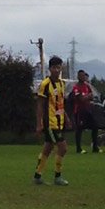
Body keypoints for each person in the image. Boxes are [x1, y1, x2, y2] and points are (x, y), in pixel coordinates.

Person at [33, 56, 71, 185]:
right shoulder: (45, 84)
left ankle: (37, 175)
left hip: (59, 121)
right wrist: (39, 124)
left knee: (47, 148)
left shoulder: (61, 83)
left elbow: (60, 103)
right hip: (50, 123)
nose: (56, 70)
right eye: (54, 67)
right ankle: (57, 176)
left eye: (58, 67)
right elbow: (40, 105)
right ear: (50, 69)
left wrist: (66, 117)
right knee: (63, 147)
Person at [70, 69, 101, 154]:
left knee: (95, 126)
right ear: (78, 76)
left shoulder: (87, 86)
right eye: (81, 76)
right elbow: (81, 99)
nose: (83, 77)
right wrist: (87, 97)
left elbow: (91, 96)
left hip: (87, 110)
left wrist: (86, 97)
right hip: (79, 111)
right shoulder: (76, 87)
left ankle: (95, 147)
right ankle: (79, 149)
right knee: (79, 129)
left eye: (84, 76)